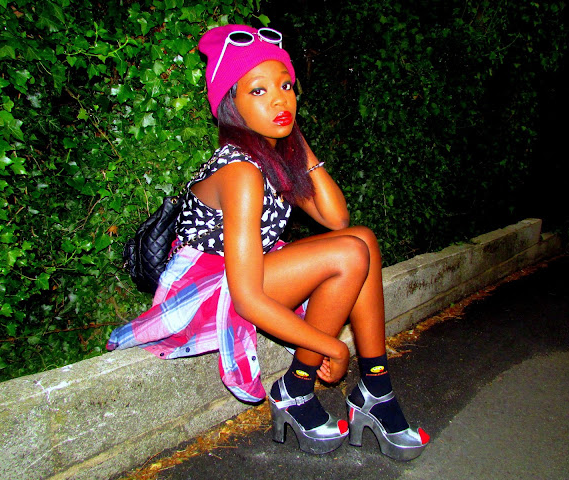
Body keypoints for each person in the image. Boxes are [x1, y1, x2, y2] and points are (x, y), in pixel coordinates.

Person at [107, 24, 429, 460]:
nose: (280, 100)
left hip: (247, 273)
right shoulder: (240, 171)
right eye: (258, 91)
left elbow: (337, 217)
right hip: (210, 292)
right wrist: (332, 346)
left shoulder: (270, 156)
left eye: (286, 87)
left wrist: (294, 140)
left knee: (363, 240)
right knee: (350, 252)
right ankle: (297, 388)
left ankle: (376, 387)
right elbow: (246, 299)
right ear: (231, 104)